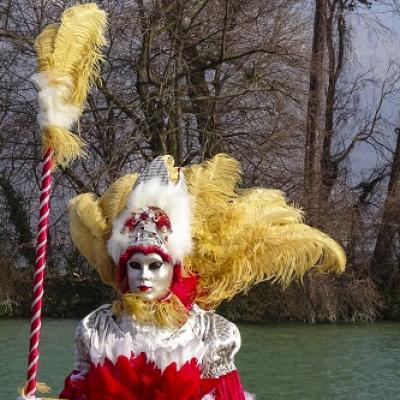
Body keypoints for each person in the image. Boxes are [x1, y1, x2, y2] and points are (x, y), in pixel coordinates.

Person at [60, 154, 346, 400]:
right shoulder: (98, 330)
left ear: (174, 268)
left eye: (155, 265)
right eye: (135, 266)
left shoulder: (207, 334)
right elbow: (76, 391)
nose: (144, 276)